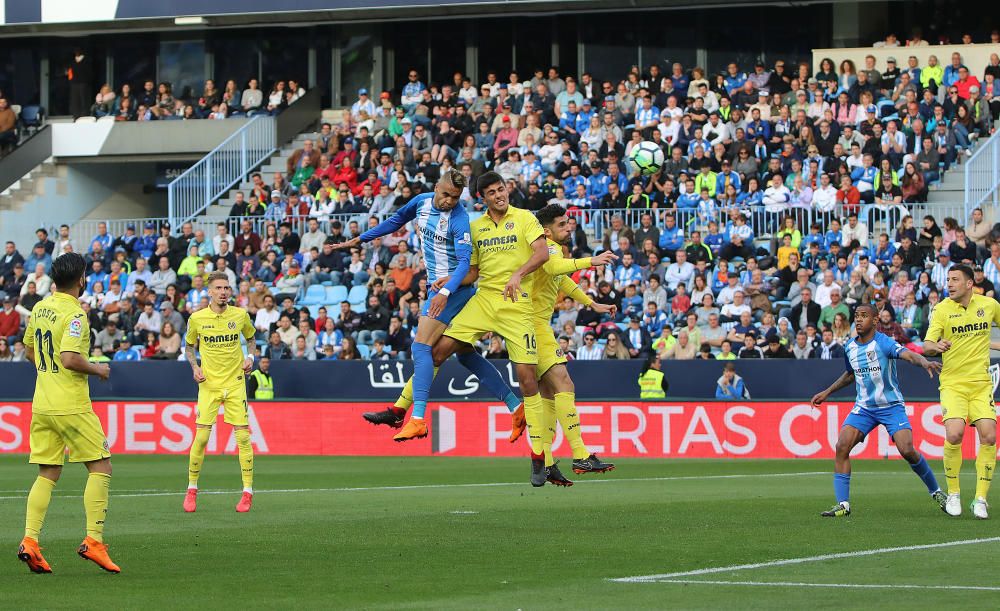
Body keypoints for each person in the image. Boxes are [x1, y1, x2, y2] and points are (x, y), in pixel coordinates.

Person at [341, 170, 527, 442]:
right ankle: (515, 406)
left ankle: (415, 418)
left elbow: (465, 263)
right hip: (439, 289)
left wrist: (447, 290)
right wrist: (362, 239)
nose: (449, 201)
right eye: (446, 194)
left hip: (453, 292)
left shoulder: (460, 219)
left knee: (421, 347)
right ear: (436, 187)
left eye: (455, 198)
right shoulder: (421, 202)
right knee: (464, 354)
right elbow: (396, 220)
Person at [395, 172, 552, 483]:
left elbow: (542, 252)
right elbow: (473, 271)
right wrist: (447, 285)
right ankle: (405, 412)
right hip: (483, 302)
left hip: (517, 306)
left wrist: (518, 274)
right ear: (483, 198)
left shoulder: (524, 218)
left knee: (527, 379)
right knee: (437, 352)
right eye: (492, 192)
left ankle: (538, 456)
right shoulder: (475, 226)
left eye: (502, 189)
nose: (499, 195)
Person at [18, 252, 120, 574]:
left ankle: (31, 541)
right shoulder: (76, 315)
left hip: (42, 403)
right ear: (81, 279)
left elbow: (29, 349)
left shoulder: (40, 307)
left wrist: (47, 376)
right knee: (100, 465)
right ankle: (94, 541)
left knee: (47, 472)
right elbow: (70, 358)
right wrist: (98, 370)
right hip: (71, 405)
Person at [811, 304, 945, 518]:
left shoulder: (884, 342)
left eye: (864, 316)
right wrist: (827, 392)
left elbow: (909, 355)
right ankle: (843, 504)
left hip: (891, 406)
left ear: (874, 321)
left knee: (907, 450)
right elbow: (850, 374)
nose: (858, 320)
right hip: (864, 407)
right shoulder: (850, 347)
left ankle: (937, 492)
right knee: (842, 445)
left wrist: (924, 362)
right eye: (856, 316)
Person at [528, 205, 619, 483]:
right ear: (547, 230)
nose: (569, 228)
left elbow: (562, 280)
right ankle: (580, 454)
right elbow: (556, 267)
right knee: (565, 384)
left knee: (548, 395)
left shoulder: (548, 249)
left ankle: (546, 463)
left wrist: (592, 303)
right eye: (562, 224)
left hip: (528, 325)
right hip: (534, 325)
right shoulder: (549, 249)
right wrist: (591, 261)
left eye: (568, 223)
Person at [922, 265, 1000, 519]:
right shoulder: (942, 309)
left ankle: (980, 499)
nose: (950, 283)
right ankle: (953, 493)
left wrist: (993, 344)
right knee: (954, 434)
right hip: (953, 383)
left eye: (955, 279)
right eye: (948, 280)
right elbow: (927, 345)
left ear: (969, 284)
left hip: (981, 383)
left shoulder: (989, 305)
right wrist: (937, 345)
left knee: (989, 437)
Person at [182, 272, 257, 514]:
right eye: (219, 288)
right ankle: (192, 488)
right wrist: (194, 367)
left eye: (226, 287)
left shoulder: (240, 315)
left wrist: (250, 357)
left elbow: (252, 338)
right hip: (209, 384)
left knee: (243, 438)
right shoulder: (197, 318)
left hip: (235, 382)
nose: (224, 291)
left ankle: (247, 493)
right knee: (202, 438)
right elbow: (189, 347)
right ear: (210, 292)